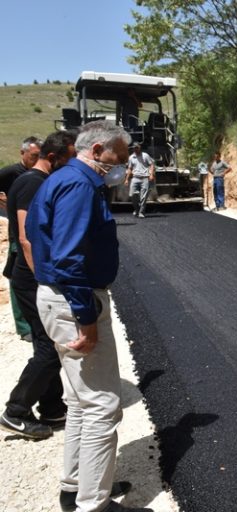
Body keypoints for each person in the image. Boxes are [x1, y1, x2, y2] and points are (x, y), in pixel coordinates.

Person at [26, 120, 152, 512]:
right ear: (97, 150)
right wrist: (85, 318)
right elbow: (67, 258)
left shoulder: (63, 180)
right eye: (120, 156)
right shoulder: (79, 186)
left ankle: (75, 488)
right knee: (101, 405)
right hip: (74, 301)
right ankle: (93, 504)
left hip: (59, 297)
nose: (123, 164)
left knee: (81, 402)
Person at [0, 131, 76, 441]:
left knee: (48, 344)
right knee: (48, 347)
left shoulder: (33, 180)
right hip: (32, 278)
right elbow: (27, 238)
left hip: (31, 276)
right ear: (54, 158)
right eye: (70, 160)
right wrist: (45, 280)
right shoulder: (33, 183)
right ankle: (16, 411)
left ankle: (52, 406)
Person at [0, 136, 41, 341]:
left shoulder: (42, 174)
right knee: (19, 276)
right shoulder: (11, 173)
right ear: (22, 153)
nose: (37, 160)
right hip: (18, 233)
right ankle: (24, 327)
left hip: (38, 232)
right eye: (33, 156)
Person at [124, 143, 155, 218]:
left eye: (136, 148)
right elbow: (130, 168)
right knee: (133, 195)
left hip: (145, 178)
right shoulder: (131, 157)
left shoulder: (145, 155)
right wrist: (127, 179)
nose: (135, 149)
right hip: (135, 178)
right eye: (134, 148)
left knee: (143, 197)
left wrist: (151, 174)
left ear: (139, 147)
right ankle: (137, 209)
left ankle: (141, 212)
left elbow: (151, 165)